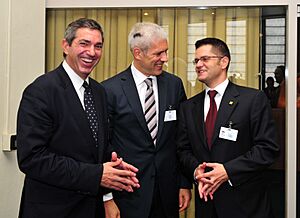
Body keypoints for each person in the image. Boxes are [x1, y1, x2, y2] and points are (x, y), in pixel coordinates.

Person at [16, 18, 139, 218]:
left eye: (98, 46)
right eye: (84, 44)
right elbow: (32, 158)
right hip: (52, 210)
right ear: (66, 46)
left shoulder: (99, 92)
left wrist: (114, 167)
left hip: (91, 209)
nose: (92, 52)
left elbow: (96, 147)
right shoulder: (41, 91)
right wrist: (97, 174)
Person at [176, 37, 280, 218]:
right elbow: (182, 150)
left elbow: (267, 149)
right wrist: (196, 171)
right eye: (196, 60)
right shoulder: (188, 107)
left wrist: (228, 171)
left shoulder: (252, 100)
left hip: (246, 205)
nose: (198, 65)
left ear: (224, 62)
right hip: (206, 205)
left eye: (205, 59)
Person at [102, 22, 192, 218]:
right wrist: (107, 198)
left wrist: (184, 183)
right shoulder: (110, 90)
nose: (165, 58)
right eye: (158, 54)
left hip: (168, 193)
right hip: (127, 194)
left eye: (166, 52)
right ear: (137, 53)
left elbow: (182, 138)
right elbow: (103, 146)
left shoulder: (174, 85)